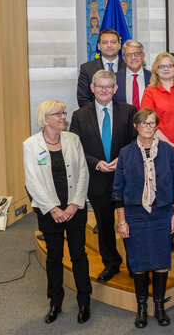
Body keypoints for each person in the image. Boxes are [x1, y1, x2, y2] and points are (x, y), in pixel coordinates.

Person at [24, 100, 91, 324]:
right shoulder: (31, 145)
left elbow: (83, 171)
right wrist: (53, 208)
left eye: (63, 113)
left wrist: (74, 204)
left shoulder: (73, 140)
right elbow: (32, 182)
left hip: (74, 209)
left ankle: (84, 301)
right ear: (45, 119)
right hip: (48, 211)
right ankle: (55, 302)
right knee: (54, 257)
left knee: (79, 255)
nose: (64, 117)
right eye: (58, 114)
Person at [113, 108, 174, 328]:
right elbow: (118, 190)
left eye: (152, 123)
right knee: (140, 264)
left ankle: (159, 307)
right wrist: (121, 221)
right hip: (135, 215)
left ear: (157, 126)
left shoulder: (169, 152)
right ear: (136, 126)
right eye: (143, 123)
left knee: (162, 262)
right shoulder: (125, 153)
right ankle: (141, 308)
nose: (148, 127)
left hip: (162, 213)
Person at [69, 70, 136, 283]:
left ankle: (135, 265)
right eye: (100, 86)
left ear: (115, 89)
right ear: (92, 88)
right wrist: (96, 164)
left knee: (130, 223)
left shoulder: (128, 111)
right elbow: (75, 148)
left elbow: (135, 142)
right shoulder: (79, 115)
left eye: (109, 87)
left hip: (125, 177)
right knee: (104, 224)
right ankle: (111, 263)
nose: (104, 90)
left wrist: (122, 160)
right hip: (97, 179)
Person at [141, 52, 174, 153]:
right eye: (161, 66)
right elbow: (149, 122)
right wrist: (169, 145)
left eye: (170, 65)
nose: (166, 69)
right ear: (155, 70)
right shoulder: (149, 92)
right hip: (159, 145)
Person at [77, 28, 125, 107]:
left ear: (119, 46)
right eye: (105, 42)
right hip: (95, 116)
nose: (109, 45)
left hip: (125, 116)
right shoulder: (87, 69)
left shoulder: (128, 66)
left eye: (113, 42)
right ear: (99, 46)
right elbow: (83, 99)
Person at [115, 39, 151, 108]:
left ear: (143, 56)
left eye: (137, 54)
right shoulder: (115, 78)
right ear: (124, 58)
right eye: (129, 55)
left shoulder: (153, 78)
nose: (133, 58)